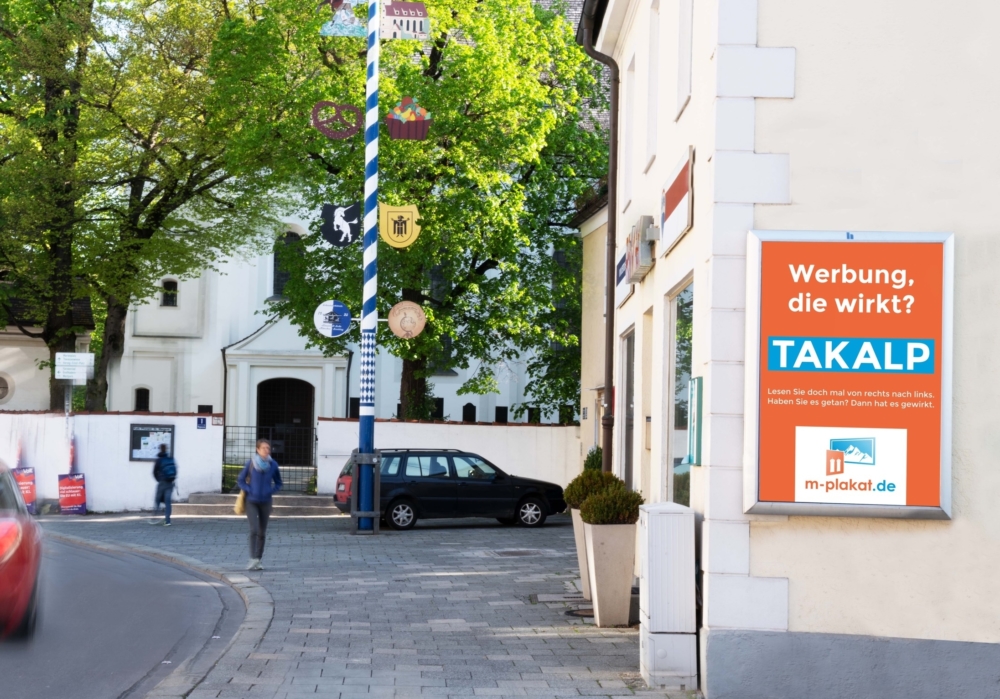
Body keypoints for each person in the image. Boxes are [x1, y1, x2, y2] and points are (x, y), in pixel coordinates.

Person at [238, 439, 282, 571]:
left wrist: (271, 491)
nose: (266, 450)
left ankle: (258, 559)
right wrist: (249, 489)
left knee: (262, 532)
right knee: (254, 530)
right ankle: (252, 558)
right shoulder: (251, 463)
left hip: (266, 502)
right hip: (252, 501)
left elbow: (279, 482)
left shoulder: (273, 465)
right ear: (257, 449)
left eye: (268, 448)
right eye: (263, 448)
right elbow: (241, 480)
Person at [151, 444, 177, 526]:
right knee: (168, 501)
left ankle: (154, 517)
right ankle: (167, 520)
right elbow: (175, 470)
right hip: (170, 483)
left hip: (162, 482)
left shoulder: (159, 460)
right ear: (166, 449)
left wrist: (159, 480)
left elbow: (154, 472)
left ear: (160, 449)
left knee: (158, 499)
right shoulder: (171, 459)